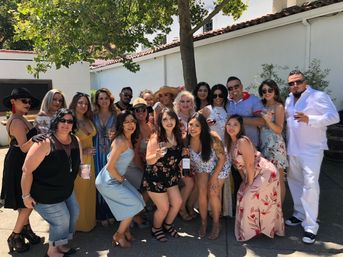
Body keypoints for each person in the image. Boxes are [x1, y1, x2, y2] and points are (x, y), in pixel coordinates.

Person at [284, 70, 339, 244]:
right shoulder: (288, 99)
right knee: (294, 182)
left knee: (310, 186)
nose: (294, 85)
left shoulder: (318, 96)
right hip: (293, 149)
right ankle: (299, 214)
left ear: (305, 82)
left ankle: (310, 226)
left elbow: (334, 117)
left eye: (297, 82)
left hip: (312, 150)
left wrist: (310, 119)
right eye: (291, 83)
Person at [21, 108, 82, 257]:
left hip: (65, 189)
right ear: (56, 121)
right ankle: (52, 251)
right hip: (45, 192)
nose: (66, 124)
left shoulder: (75, 140)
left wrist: (80, 170)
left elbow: (78, 163)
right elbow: (26, 170)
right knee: (61, 220)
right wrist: (26, 196)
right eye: (63, 120)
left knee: (74, 213)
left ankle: (61, 245)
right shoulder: (45, 142)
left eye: (70, 121)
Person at [225, 114, 284, 241]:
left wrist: (249, 183)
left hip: (265, 173)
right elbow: (239, 166)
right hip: (253, 174)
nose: (231, 127)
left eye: (235, 124)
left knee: (249, 195)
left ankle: (260, 230)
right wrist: (245, 182)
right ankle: (253, 230)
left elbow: (250, 164)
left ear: (240, 127)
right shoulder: (231, 143)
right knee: (242, 194)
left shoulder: (242, 141)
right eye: (229, 124)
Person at [95, 111, 145, 248]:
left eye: (133, 121)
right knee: (134, 204)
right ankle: (119, 235)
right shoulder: (120, 141)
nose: (131, 124)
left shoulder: (128, 139)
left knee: (139, 199)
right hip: (108, 181)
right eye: (126, 122)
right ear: (121, 125)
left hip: (116, 178)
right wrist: (122, 180)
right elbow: (111, 167)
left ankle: (126, 230)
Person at [1, 87, 41, 253]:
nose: (27, 103)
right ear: (13, 102)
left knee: (25, 201)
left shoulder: (21, 118)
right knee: (27, 202)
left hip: (21, 162)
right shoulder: (17, 121)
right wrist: (36, 137)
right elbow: (24, 148)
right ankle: (15, 236)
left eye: (29, 101)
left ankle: (26, 230)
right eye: (23, 100)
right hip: (17, 163)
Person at [143, 108, 183, 242]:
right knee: (164, 208)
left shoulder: (178, 136)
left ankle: (167, 225)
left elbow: (179, 156)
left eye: (171, 118)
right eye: (165, 119)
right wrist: (157, 155)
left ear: (176, 120)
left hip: (170, 176)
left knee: (177, 202)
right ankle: (156, 228)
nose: (169, 122)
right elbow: (149, 160)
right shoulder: (156, 137)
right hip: (155, 178)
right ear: (160, 122)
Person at [188, 113, 230, 239]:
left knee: (213, 192)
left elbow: (222, 158)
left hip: (219, 166)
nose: (193, 128)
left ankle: (217, 224)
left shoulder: (212, 137)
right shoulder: (186, 139)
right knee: (201, 192)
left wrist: (213, 178)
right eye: (191, 124)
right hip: (202, 167)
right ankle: (204, 222)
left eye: (197, 125)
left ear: (203, 127)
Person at [225, 76, 264, 213]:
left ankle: (254, 213)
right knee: (237, 183)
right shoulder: (227, 103)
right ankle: (240, 213)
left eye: (236, 86)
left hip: (252, 149)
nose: (234, 90)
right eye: (230, 88)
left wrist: (239, 120)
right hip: (235, 151)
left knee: (254, 184)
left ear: (241, 86)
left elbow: (261, 122)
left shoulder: (253, 100)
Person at [200, 84, 232, 217]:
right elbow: (195, 123)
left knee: (220, 182)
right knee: (211, 183)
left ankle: (222, 211)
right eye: (214, 95)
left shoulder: (228, 109)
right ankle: (211, 211)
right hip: (210, 149)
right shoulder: (207, 109)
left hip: (225, 149)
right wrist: (206, 124)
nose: (217, 98)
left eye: (221, 95)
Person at [69, 92, 97, 232]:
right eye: (80, 102)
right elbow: (65, 142)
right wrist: (83, 151)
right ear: (74, 103)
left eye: (86, 103)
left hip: (90, 162)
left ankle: (88, 222)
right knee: (78, 192)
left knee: (88, 191)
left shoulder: (88, 119)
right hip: (78, 161)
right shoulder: (69, 121)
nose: (83, 105)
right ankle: (77, 225)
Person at [258, 79, 288, 204]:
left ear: (275, 91)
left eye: (270, 90)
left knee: (279, 178)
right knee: (268, 177)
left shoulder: (278, 106)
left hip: (275, 146)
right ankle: (271, 207)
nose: (267, 92)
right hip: (264, 145)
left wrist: (268, 121)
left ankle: (279, 210)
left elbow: (279, 129)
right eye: (264, 90)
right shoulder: (262, 106)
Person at [92, 88, 118, 226]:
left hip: (110, 152)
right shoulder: (92, 115)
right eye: (101, 98)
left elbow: (121, 133)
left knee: (109, 181)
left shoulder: (115, 114)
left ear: (110, 99)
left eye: (106, 98)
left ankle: (110, 211)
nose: (103, 101)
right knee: (98, 181)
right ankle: (100, 213)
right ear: (97, 101)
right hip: (96, 153)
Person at [173, 91, 197, 221]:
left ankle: (189, 206)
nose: (185, 104)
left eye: (188, 101)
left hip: (195, 155)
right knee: (189, 183)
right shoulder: (175, 118)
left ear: (192, 103)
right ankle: (180, 209)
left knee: (196, 183)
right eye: (182, 101)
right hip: (181, 156)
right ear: (177, 103)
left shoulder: (195, 117)